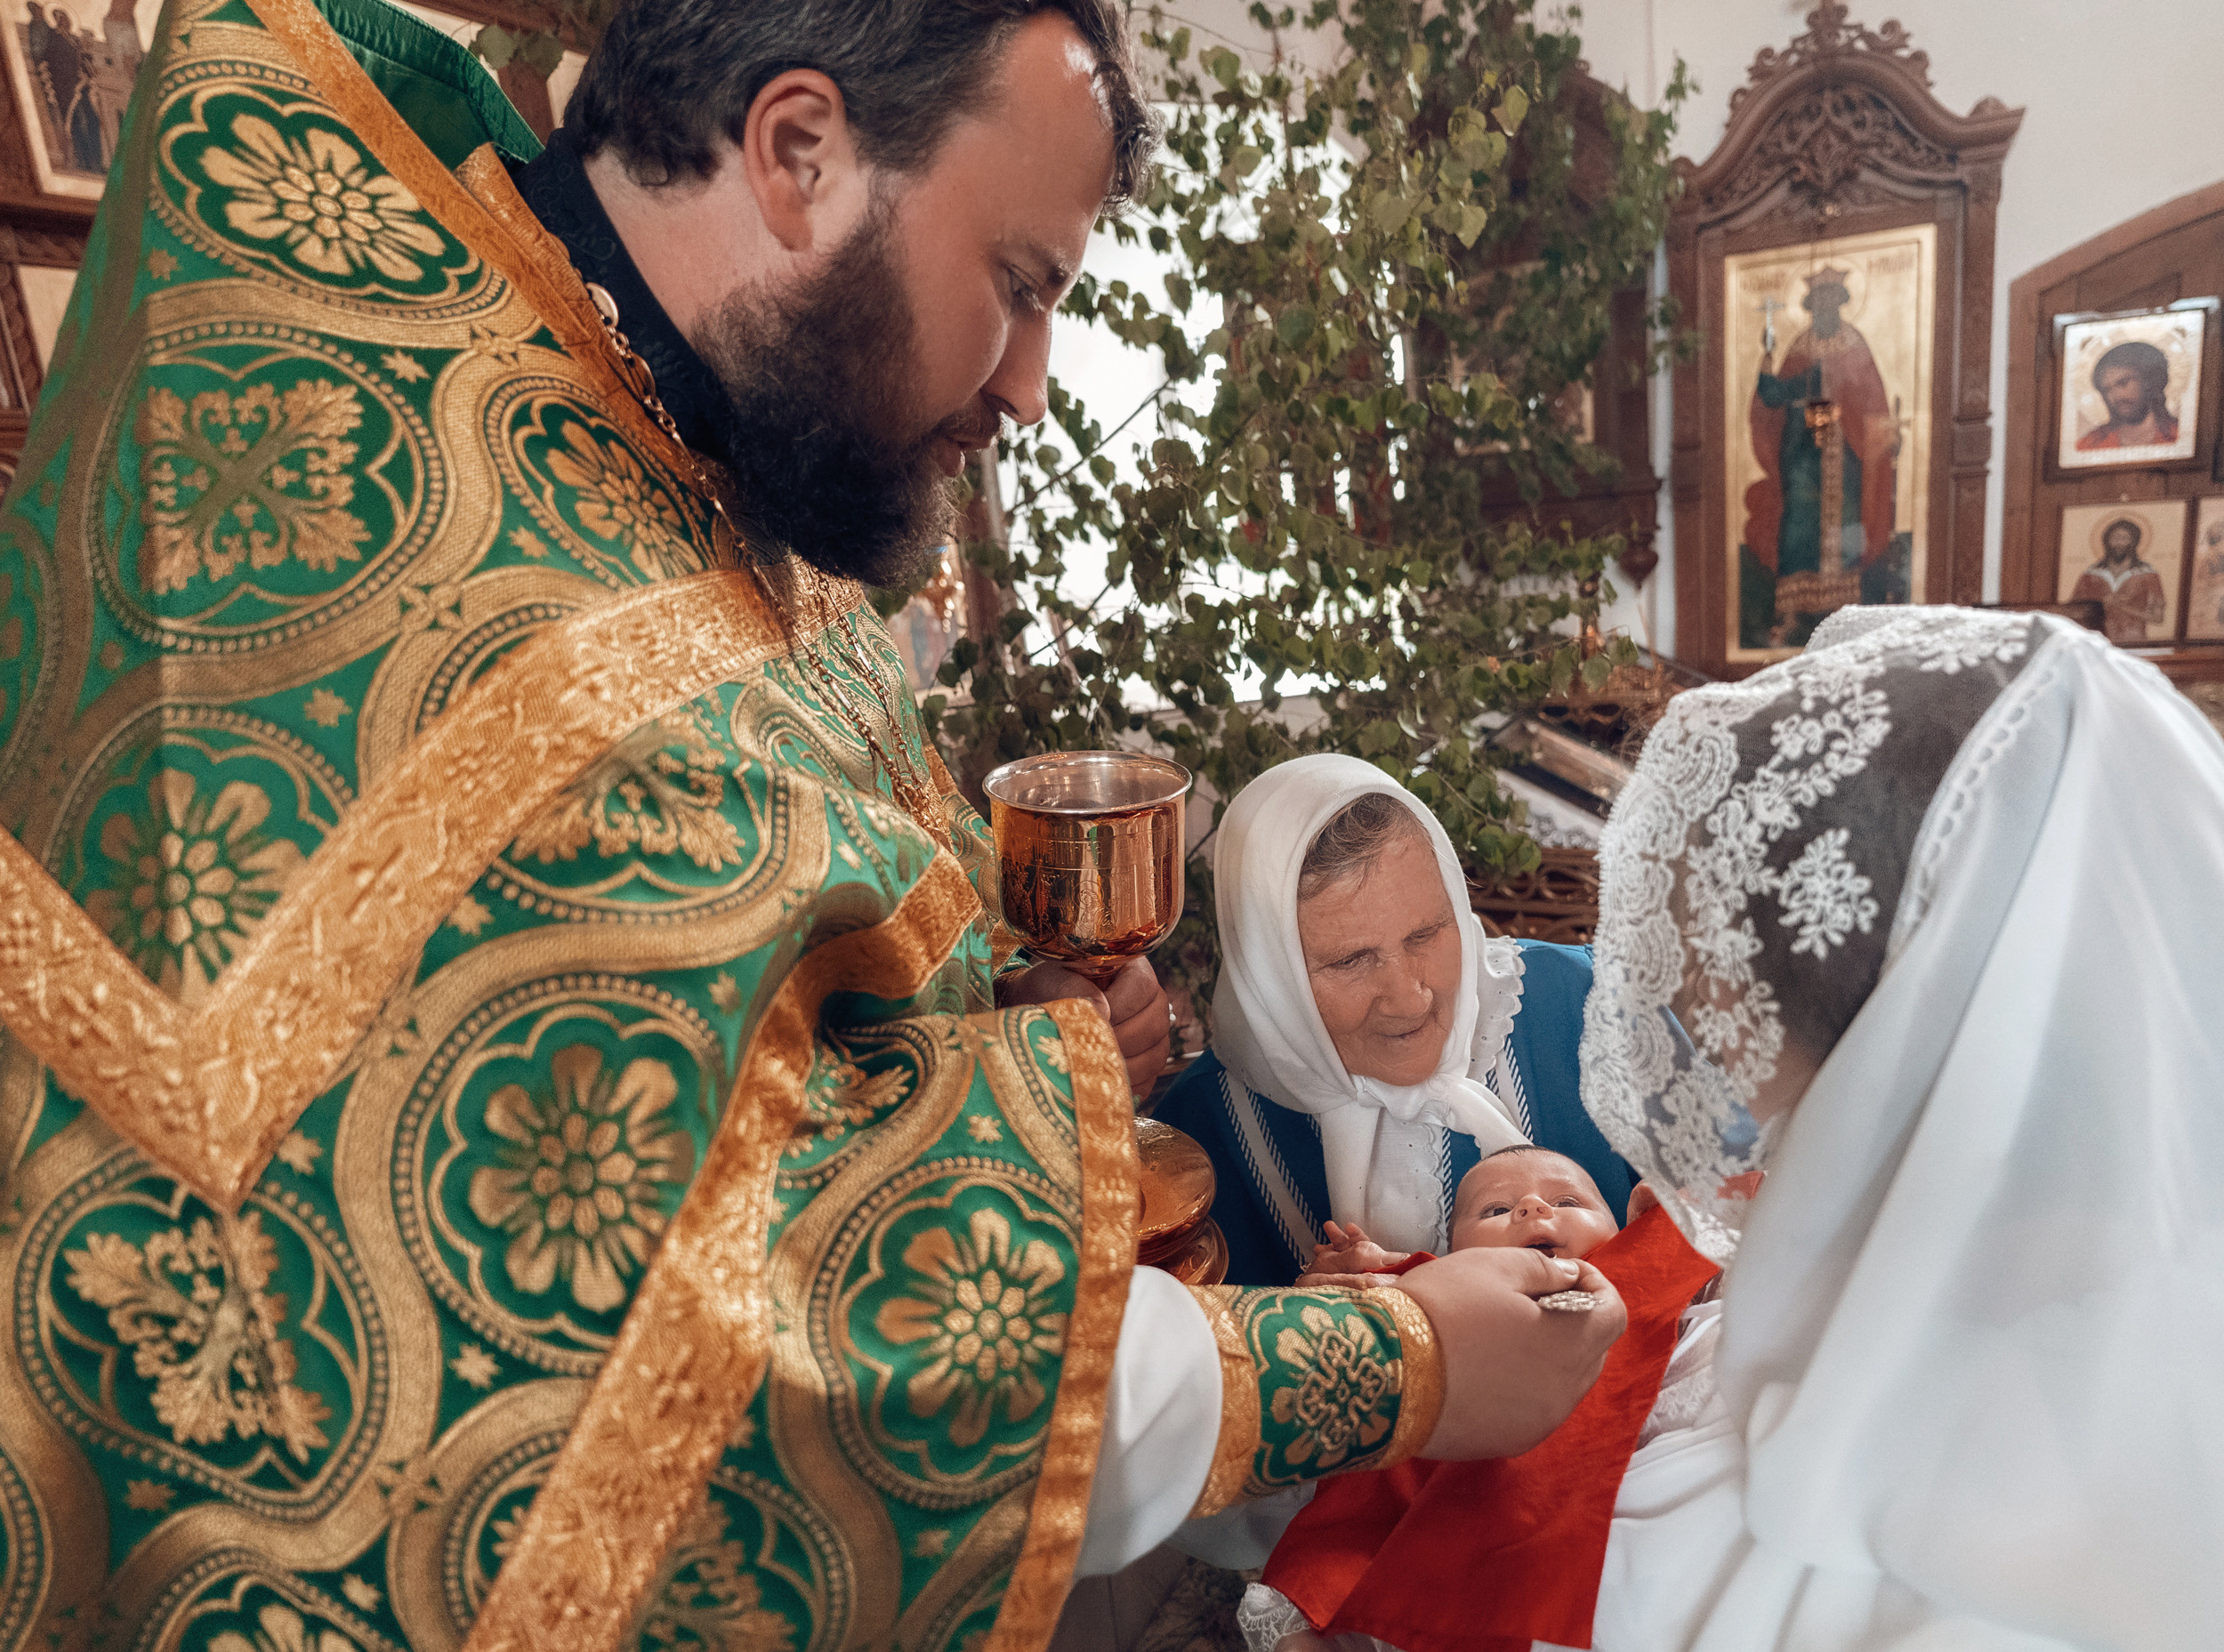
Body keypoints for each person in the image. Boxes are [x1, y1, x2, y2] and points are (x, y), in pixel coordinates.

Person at [0, 4, 1628, 1648]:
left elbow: (780, 1002)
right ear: (798, 153)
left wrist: (1020, 1013)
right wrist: (1401, 1362)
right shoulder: (462, 585)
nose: (1034, 387)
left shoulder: (683, 444)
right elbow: (715, 1376)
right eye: (1021, 283)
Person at [1561, 602, 2224, 1648]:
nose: (1685, 1010)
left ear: (1879, 1014)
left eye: (1709, 967)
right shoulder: (2125, 1263)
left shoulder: (1927, 1557)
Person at [1153, 753, 1639, 1288]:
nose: (1410, 999)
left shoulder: (1591, 1005)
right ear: (1270, 977)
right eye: (1351, 961)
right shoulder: (1189, 1145)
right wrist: (1305, 1322)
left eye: (1426, 934)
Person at [1237, 1148, 1722, 1652]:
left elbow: (1746, 1233)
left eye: (1568, 1200)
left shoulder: (1641, 1260)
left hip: (1657, 1457)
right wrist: (1371, 1273)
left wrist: (1669, 1219)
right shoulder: (1443, 1295)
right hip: (1495, 1507)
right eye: (1495, 1211)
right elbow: (1404, 1304)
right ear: (1456, 1259)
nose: (1534, 1207)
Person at [1741, 266, 1899, 648]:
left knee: (1843, 524)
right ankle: (1793, 610)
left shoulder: (1854, 343)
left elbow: (1872, 400)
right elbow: (1777, 396)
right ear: (1812, 308)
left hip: (1845, 454)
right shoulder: (1801, 346)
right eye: (1818, 305)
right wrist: (1767, 363)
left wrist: (1870, 429)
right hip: (1803, 456)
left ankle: (1842, 611)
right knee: (1797, 525)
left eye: (1831, 303)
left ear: (1841, 305)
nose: (1824, 312)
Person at [2069, 514, 2169, 642]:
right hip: (2097, 643)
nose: (2119, 543)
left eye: (2125, 538)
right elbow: (2073, 612)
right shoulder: (2090, 575)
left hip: (2134, 642)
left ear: (2134, 542)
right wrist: (2098, 607)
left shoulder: (2148, 576)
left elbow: (2157, 618)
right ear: (2106, 541)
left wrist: (2120, 606)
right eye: (2115, 538)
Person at [2075, 338, 2180, 450]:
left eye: (2123, 383)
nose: (2116, 396)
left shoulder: (2180, 434)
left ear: (2147, 380)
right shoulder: (2090, 444)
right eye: (2107, 390)